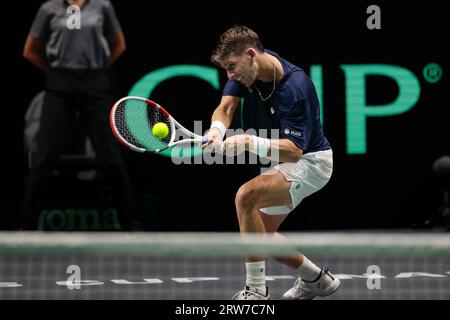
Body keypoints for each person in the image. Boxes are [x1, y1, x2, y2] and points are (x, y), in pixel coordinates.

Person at [203, 25, 340, 300]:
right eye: (226, 70)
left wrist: (248, 142)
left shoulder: (295, 87)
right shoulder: (249, 71)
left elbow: (294, 151)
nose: (230, 76)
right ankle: (316, 279)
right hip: (280, 160)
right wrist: (217, 129)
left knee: (246, 196)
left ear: (251, 55)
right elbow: (227, 107)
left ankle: (255, 290)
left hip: (311, 163)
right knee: (260, 235)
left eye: (232, 67)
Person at [22, 0, 141, 230]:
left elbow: (119, 44)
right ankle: (25, 228)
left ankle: (132, 227)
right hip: (60, 84)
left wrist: (96, 70)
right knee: (44, 158)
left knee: (110, 158)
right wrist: (56, 73)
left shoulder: (103, 6)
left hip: (94, 83)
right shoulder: (49, 8)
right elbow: (29, 51)